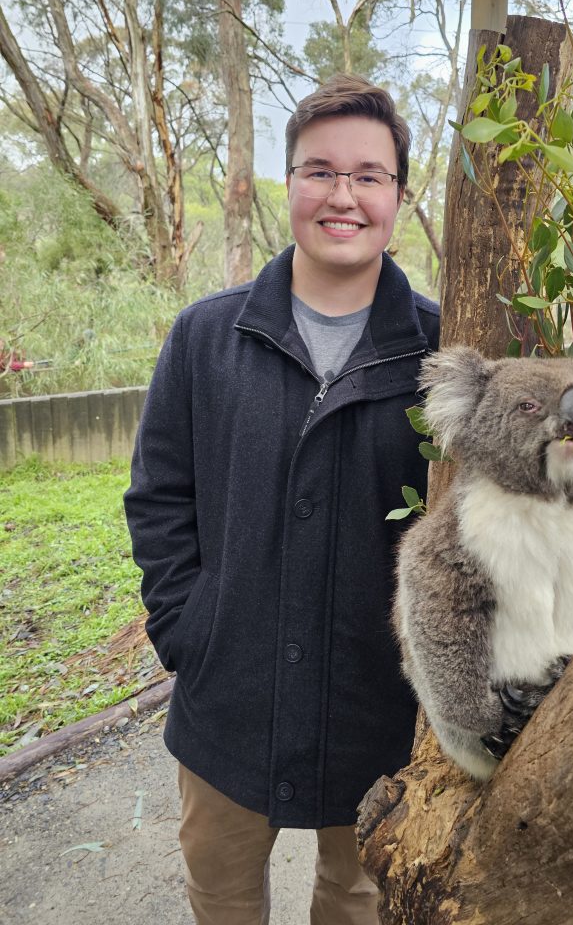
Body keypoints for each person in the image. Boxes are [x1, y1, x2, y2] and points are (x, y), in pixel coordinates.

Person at [124, 73, 439, 925]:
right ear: (289, 186)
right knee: (221, 898)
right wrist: (188, 630)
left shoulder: (446, 352)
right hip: (226, 704)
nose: (344, 196)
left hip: (383, 710)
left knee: (362, 900)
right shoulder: (204, 337)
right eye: (319, 171)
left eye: (369, 176)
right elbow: (158, 499)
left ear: (399, 197)